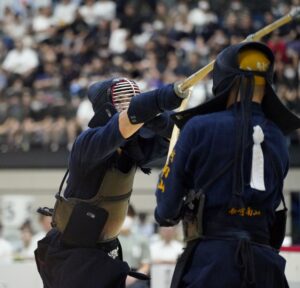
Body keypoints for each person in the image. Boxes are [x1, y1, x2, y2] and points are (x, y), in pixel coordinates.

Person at [154, 41, 300, 288]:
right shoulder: (278, 137)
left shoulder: (198, 128)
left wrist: (167, 211)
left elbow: (166, 209)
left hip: (211, 266)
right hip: (266, 267)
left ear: (222, 81)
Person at [34, 76, 189, 288]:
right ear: (107, 107)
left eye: (134, 98)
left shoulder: (131, 148)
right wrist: (158, 100)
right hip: (74, 253)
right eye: (123, 98)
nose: (131, 102)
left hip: (104, 248)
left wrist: (158, 118)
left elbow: (178, 133)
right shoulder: (88, 142)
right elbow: (122, 126)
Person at [119, 204, 151, 288]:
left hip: (135, 276)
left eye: (129, 215)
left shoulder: (141, 239)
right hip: (115, 275)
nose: (127, 218)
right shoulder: (110, 239)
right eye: (124, 215)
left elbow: (146, 264)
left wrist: (132, 278)